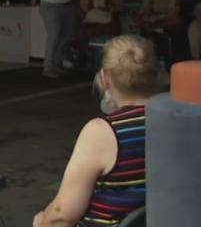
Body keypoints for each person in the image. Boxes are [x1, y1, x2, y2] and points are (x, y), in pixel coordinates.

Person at [32, 35, 157, 227]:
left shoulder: (102, 133)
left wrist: (41, 222)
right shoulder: (179, 122)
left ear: (106, 77)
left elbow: (62, 214)